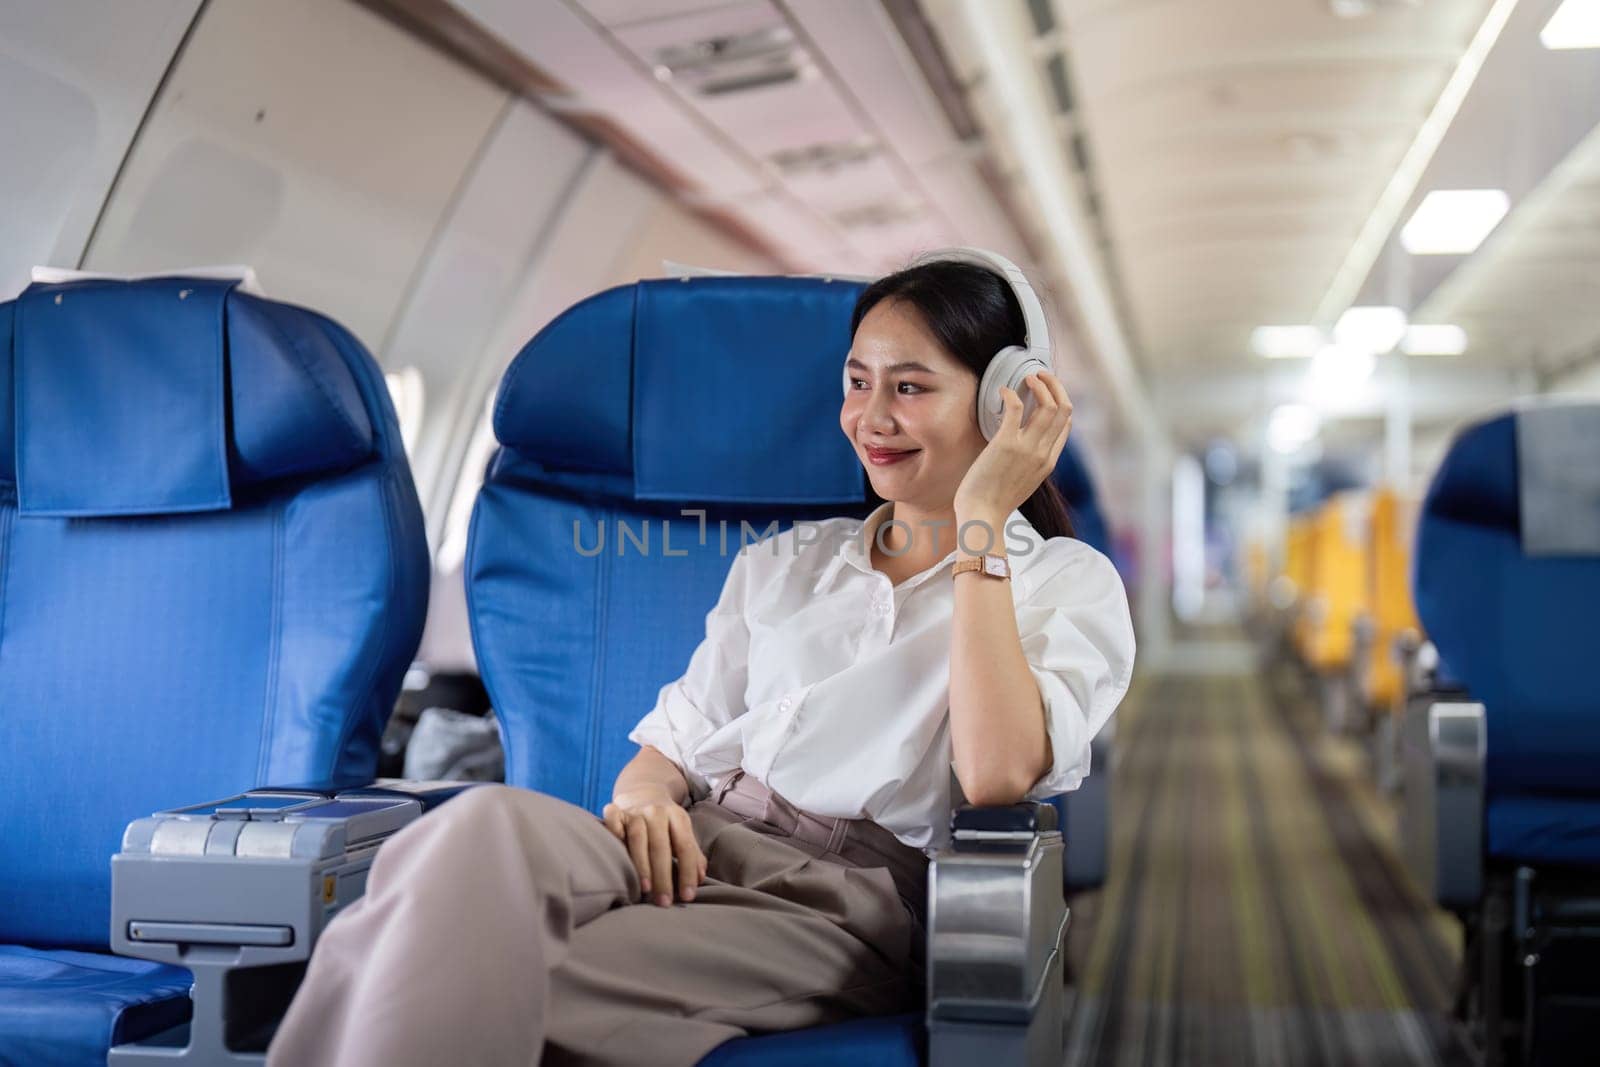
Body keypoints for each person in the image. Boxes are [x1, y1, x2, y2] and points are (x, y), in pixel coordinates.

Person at [265, 255, 1135, 1067]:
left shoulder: (1062, 582)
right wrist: (646, 795)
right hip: (700, 835)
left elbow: (992, 774)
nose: (871, 418)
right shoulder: (786, 561)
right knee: (465, 834)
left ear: (1004, 406)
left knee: (468, 963)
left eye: (910, 388)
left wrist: (983, 520)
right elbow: (678, 738)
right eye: (857, 382)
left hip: (841, 903)